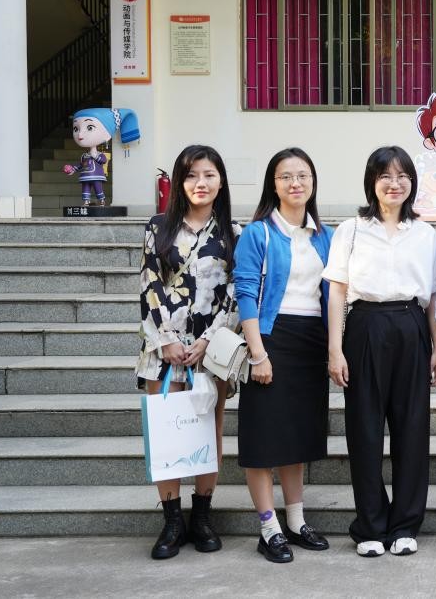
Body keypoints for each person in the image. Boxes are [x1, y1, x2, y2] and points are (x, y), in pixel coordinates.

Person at [324, 146, 436, 558]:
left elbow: (432, 296)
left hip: (411, 325)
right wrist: (335, 349)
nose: (395, 184)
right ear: (371, 182)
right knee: (365, 430)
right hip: (365, 327)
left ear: (412, 182)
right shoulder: (351, 230)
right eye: (385, 176)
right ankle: (371, 525)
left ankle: (405, 524)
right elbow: (337, 292)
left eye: (402, 176)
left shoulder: (425, 234)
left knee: (412, 429)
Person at [232, 148, 334, 563]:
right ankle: (268, 527)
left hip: (311, 341)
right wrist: (258, 354)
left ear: (313, 182)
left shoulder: (325, 235)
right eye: (285, 176)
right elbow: (245, 292)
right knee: (263, 439)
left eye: (303, 175)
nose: (295, 183)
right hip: (271, 338)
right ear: (273, 185)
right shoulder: (258, 233)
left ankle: (296, 521)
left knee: (296, 436)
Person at [137, 144, 238, 560]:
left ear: (221, 181)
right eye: (192, 175)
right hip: (162, 349)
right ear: (180, 181)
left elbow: (234, 295)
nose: (201, 182)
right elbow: (149, 284)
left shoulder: (233, 233)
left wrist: (209, 340)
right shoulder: (158, 226)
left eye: (209, 174)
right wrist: (166, 340)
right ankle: (172, 520)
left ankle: (202, 517)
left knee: (207, 432)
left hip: (209, 353)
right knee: (167, 431)